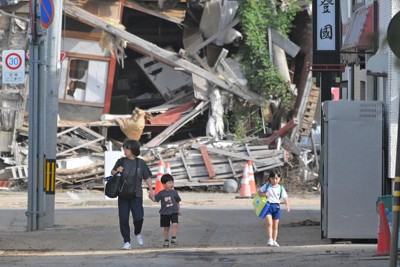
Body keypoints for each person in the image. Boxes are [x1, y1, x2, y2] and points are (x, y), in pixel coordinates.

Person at [111, 139, 154, 250]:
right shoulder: (121, 161)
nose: (125, 150)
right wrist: (117, 171)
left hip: (136, 195)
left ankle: (137, 233)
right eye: (124, 148)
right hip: (123, 195)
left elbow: (148, 177)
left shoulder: (141, 163)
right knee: (123, 219)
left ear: (133, 149)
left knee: (139, 217)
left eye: (127, 148)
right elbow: (112, 172)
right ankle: (127, 242)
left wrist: (151, 191)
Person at [257, 170, 290, 247]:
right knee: (269, 223)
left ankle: (274, 241)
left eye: (276, 179)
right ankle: (270, 239)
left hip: (277, 207)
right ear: (269, 179)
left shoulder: (281, 188)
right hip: (268, 206)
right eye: (272, 179)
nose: (274, 181)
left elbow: (285, 197)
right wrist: (264, 194)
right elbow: (259, 192)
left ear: (280, 178)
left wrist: (287, 205)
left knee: (275, 226)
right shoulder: (267, 186)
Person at [150, 173, 182, 248]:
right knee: (166, 228)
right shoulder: (161, 193)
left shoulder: (174, 192)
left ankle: (173, 238)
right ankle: (166, 240)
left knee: (175, 224)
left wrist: (179, 209)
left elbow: (177, 201)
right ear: (164, 184)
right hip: (164, 213)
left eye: (172, 182)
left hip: (174, 211)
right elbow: (155, 199)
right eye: (169, 183)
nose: (172, 184)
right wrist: (151, 197)